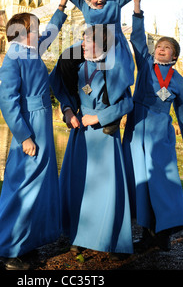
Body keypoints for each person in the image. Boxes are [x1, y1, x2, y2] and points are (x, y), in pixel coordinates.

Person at [0, 0, 69, 270]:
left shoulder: (31, 51)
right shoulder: (14, 57)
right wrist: (24, 137)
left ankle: (27, 243)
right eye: (34, 28)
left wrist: (61, 7)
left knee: (40, 184)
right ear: (22, 33)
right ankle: (9, 251)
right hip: (30, 126)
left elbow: (52, 31)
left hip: (43, 122)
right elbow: (8, 101)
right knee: (23, 185)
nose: (39, 32)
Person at [122, 0, 183, 252]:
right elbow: (138, 38)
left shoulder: (177, 80)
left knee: (162, 183)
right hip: (137, 130)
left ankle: (165, 231)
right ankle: (147, 234)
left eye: (167, 48)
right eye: (159, 47)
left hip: (161, 135)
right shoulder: (144, 65)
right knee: (141, 182)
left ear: (174, 56)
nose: (161, 49)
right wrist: (137, 9)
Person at [49, 24, 134, 256]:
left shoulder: (113, 69)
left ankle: (108, 237)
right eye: (82, 40)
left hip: (105, 137)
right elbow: (66, 93)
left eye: (87, 41)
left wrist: (99, 117)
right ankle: (78, 235)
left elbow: (127, 103)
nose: (82, 45)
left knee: (104, 189)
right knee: (79, 185)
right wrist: (67, 111)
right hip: (80, 137)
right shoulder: (78, 66)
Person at [53, 0, 169, 111]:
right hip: (91, 44)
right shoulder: (83, 4)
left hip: (113, 45)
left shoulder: (115, 0)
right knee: (66, 59)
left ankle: (110, 107)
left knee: (113, 71)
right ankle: (73, 97)